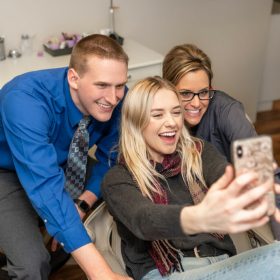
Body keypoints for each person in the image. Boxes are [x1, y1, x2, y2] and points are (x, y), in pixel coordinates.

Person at [101, 76, 280, 280]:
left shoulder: (199, 152)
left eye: (176, 112)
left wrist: (246, 188)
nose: (172, 122)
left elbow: (223, 173)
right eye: (157, 115)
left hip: (225, 264)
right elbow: (145, 219)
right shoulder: (117, 179)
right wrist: (199, 217)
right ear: (135, 122)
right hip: (168, 273)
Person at [0, 34, 132, 280]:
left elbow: (111, 157)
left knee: (124, 181)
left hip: (64, 161)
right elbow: (46, 188)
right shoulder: (24, 101)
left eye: (120, 85)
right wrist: (100, 273)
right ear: (74, 78)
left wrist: (83, 203)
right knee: (32, 265)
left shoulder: (114, 99)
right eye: (102, 85)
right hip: (6, 172)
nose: (114, 98)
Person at [162, 43, 257, 163]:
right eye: (186, 94)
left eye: (203, 92)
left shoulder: (228, 111)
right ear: (168, 90)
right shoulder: (154, 116)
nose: (196, 103)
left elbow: (261, 168)